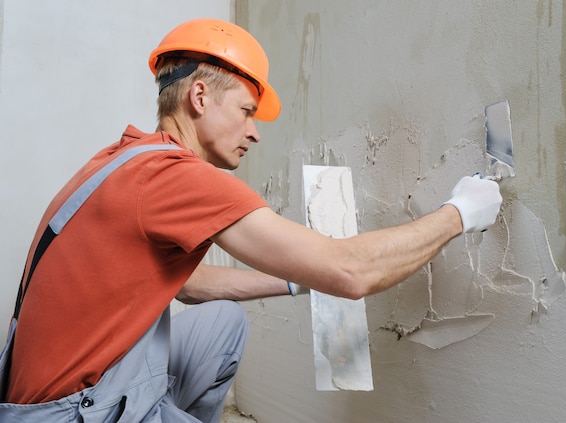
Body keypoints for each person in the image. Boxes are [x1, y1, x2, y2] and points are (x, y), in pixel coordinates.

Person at [0, 18, 502, 423]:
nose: (254, 133)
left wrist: (295, 282)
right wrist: (459, 213)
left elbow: (188, 284)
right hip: (66, 412)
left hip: (44, 394)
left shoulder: (127, 159)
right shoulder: (175, 177)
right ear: (199, 97)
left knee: (222, 323)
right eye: (245, 111)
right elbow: (352, 273)